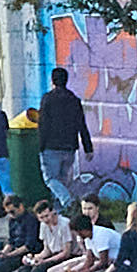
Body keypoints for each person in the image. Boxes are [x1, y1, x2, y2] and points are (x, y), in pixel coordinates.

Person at [36, 66, 94, 208]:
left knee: (50, 179)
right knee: (62, 181)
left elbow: (43, 124)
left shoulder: (48, 99)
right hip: (69, 147)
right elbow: (81, 124)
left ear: (52, 81)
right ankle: (60, 211)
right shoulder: (74, 99)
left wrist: (40, 146)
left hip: (51, 146)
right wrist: (88, 148)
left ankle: (68, 202)